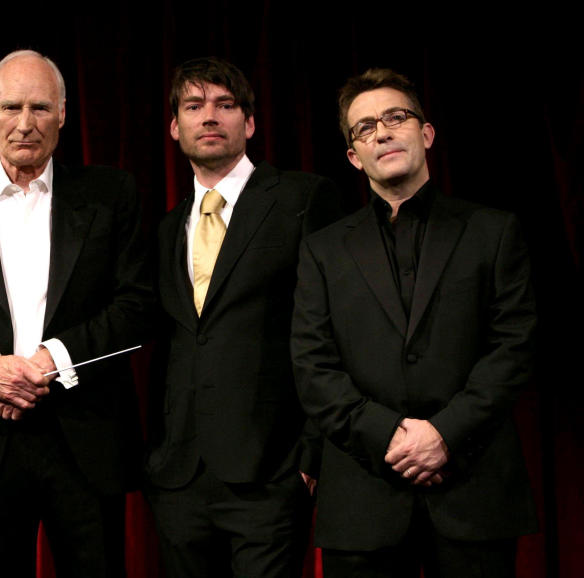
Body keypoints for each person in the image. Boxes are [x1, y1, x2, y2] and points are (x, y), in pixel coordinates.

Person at [0, 50, 151, 578]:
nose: (25, 123)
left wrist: (50, 360)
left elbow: (137, 307)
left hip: (84, 439)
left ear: (63, 114)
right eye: (12, 107)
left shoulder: (111, 195)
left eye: (40, 107)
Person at [291, 68, 537, 577]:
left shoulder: (492, 231)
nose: (382, 131)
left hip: (474, 487)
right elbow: (313, 366)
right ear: (354, 158)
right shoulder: (322, 250)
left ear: (425, 133)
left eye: (395, 117)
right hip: (364, 496)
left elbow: (514, 348)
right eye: (364, 128)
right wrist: (389, 436)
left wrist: (443, 434)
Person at [145, 56, 341, 577]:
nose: (209, 116)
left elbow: (333, 331)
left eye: (224, 105)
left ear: (249, 123)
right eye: (194, 105)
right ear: (174, 126)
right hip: (180, 479)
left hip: (271, 474)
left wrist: (310, 459)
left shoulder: (303, 198)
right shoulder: (164, 230)